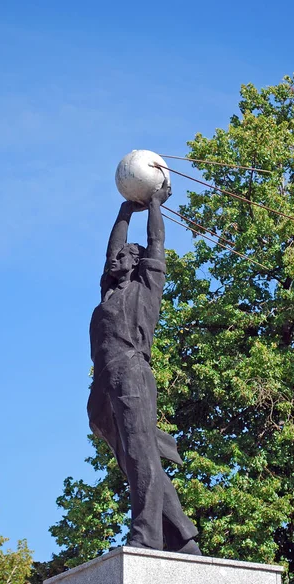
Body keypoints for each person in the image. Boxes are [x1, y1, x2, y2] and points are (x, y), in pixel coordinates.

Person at [88, 179, 201, 555]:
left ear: (138, 266)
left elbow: (155, 245)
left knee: (140, 456)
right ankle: (182, 534)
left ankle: (147, 535)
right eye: (114, 257)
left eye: (124, 256)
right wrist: (124, 212)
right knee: (137, 458)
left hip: (132, 372)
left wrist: (154, 205)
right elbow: (112, 248)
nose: (116, 258)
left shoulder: (145, 287)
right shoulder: (109, 292)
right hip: (104, 385)